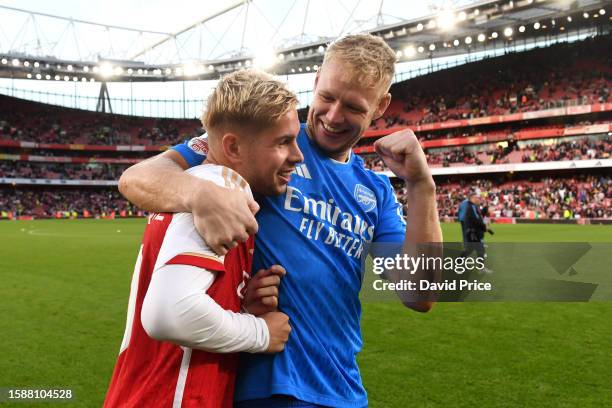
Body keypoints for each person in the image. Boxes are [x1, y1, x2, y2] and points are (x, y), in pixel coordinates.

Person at [119, 34, 442, 407]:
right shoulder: (266, 140)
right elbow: (136, 178)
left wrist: (421, 186)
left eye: (353, 107)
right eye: (327, 98)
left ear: (381, 105)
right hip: (263, 385)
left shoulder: (376, 192)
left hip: (343, 389)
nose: (334, 116)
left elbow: (420, 294)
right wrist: (199, 194)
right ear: (316, 79)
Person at [104, 69, 302, 408]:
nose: (298, 155)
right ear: (233, 147)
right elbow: (167, 314)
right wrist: (261, 333)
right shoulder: (221, 188)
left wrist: (238, 306)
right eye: (283, 142)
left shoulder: (190, 189)